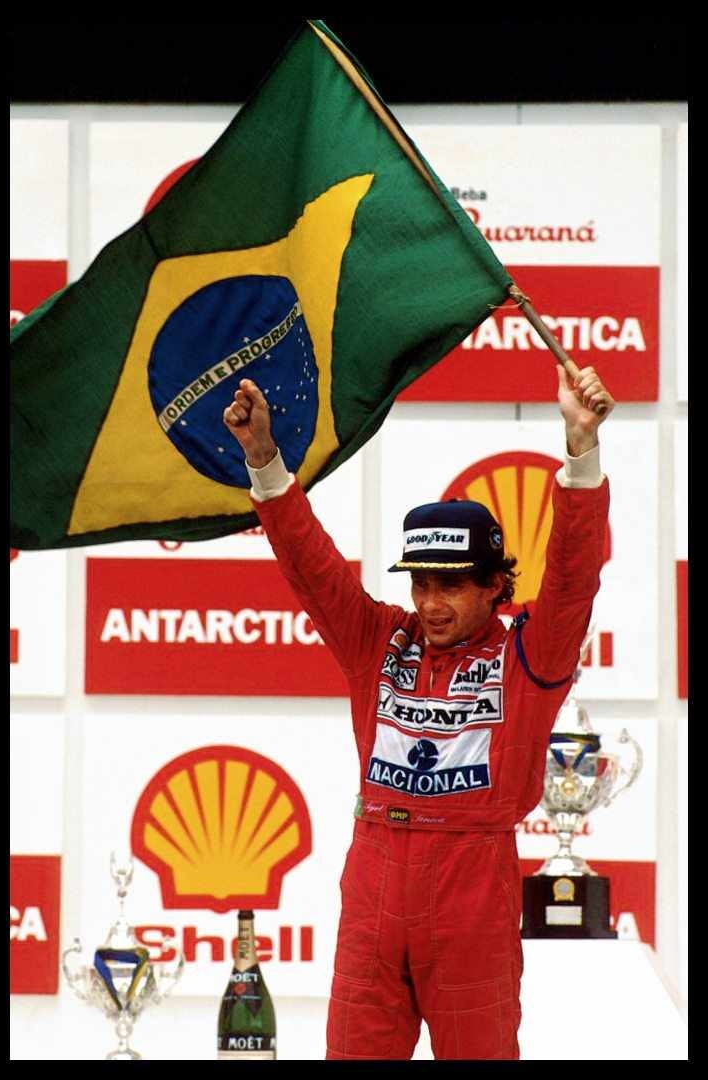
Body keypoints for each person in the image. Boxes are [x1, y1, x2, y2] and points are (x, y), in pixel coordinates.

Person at [223, 364, 614, 1061]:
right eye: (422, 584)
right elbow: (314, 569)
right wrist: (264, 461)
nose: (431, 604)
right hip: (373, 881)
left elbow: (574, 577)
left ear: (496, 586)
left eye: (453, 587)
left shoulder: (530, 656)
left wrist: (581, 454)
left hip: (473, 892)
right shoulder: (379, 639)